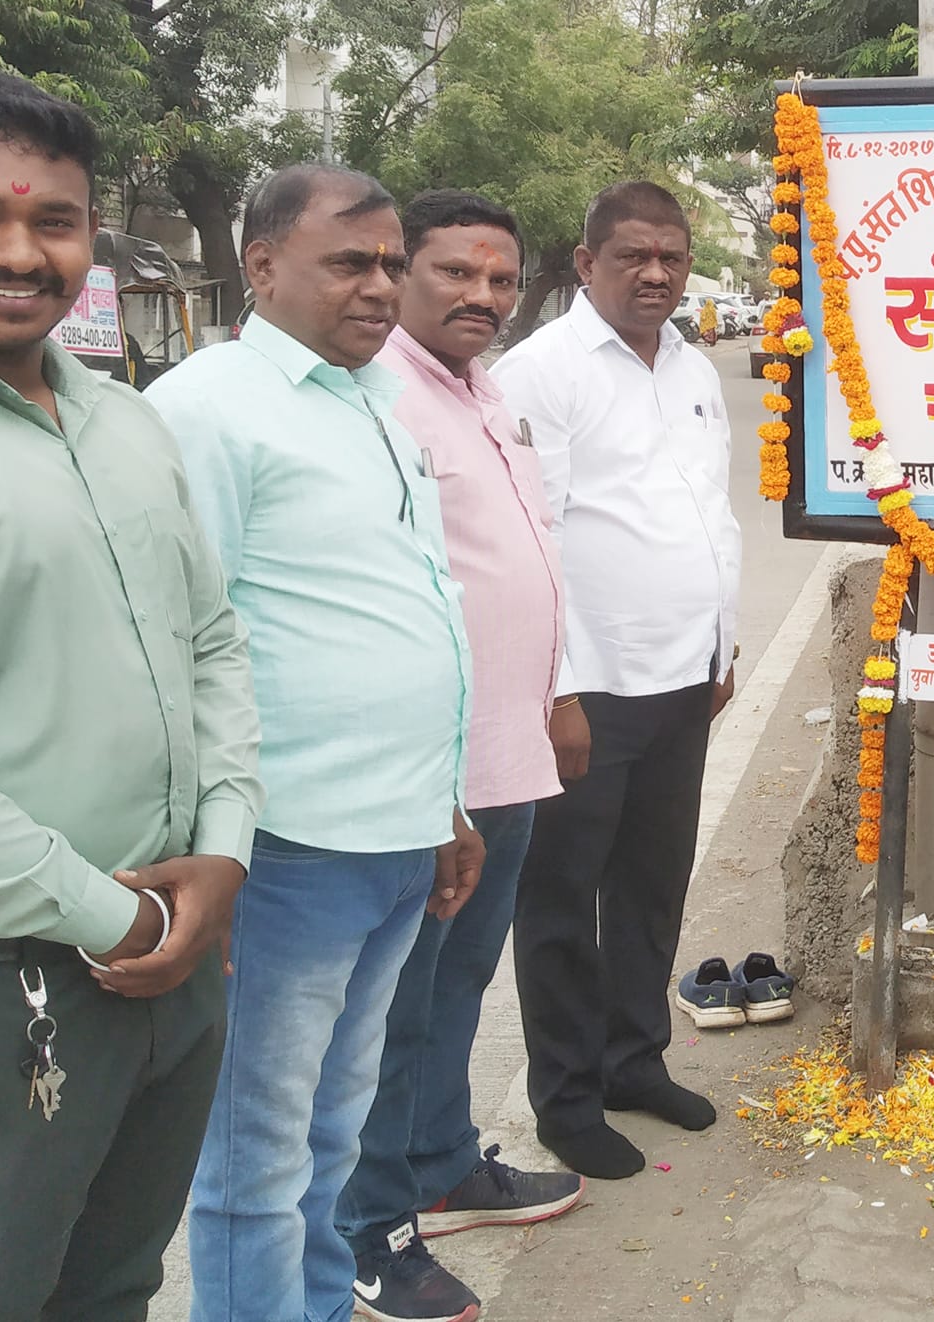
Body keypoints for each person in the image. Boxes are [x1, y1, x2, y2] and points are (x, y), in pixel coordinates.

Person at [0, 70, 263, 1319]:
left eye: (54, 222)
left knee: (112, 1284)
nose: (19, 252)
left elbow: (211, 641)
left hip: (169, 964)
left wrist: (224, 849)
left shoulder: (126, 422)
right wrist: (118, 918)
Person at [146, 163, 484, 1322]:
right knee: (255, 1158)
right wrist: (214, 850)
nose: (382, 284)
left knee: (332, 1137)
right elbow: (181, 644)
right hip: (283, 847)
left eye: (391, 261)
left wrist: (443, 802)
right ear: (262, 264)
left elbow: (408, 610)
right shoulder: (207, 406)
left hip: (394, 836)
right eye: (351, 259)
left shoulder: (369, 399)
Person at [334, 188, 583, 1322]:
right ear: (396, 274)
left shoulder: (483, 392)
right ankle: (366, 1226)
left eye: (499, 277)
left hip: (506, 750)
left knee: (457, 989)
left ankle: (440, 1162)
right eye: (454, 274)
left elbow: (521, 556)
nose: (483, 295)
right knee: (391, 1011)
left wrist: (556, 692)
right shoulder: (374, 398)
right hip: (425, 776)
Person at [493, 181, 742, 1180]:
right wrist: (551, 690)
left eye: (671, 257)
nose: (654, 274)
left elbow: (709, 513)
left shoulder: (691, 365)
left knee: (648, 884)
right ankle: (564, 1095)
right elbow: (527, 539)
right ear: (585, 261)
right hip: (587, 687)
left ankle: (633, 1059)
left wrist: (723, 648)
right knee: (559, 897)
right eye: (632, 255)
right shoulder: (539, 373)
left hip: (683, 677)